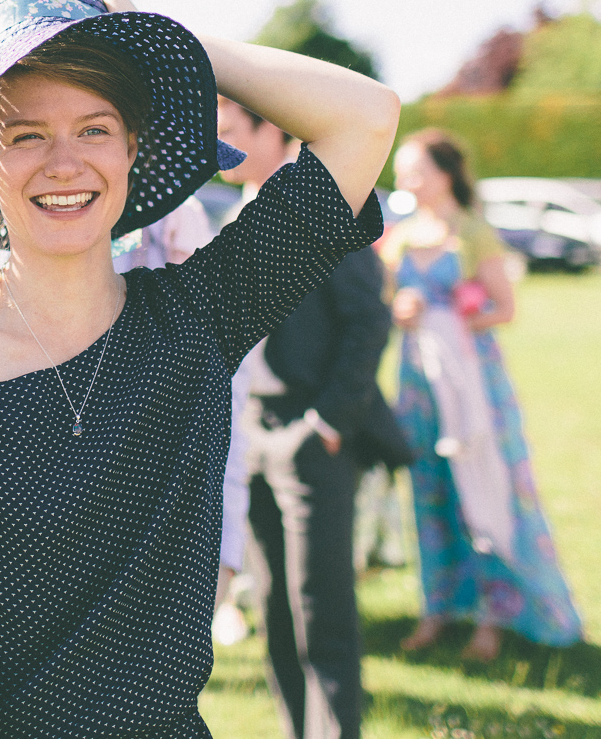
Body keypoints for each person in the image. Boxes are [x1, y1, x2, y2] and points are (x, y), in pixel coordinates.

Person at [0, 0, 399, 738]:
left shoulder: (201, 317)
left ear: (132, 147)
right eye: (26, 135)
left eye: (95, 128)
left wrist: (176, 45)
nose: (64, 162)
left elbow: (366, 117)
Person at [0, 197, 253, 615]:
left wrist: (223, 545)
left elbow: (223, 391)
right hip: (37, 542)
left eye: (97, 130)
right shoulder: (9, 239)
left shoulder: (174, 225)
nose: (67, 165)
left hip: (156, 528)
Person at [218, 96, 401, 739]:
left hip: (309, 431)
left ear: (273, 128)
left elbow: (370, 320)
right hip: (255, 429)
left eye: (233, 131)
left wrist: (325, 423)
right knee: (272, 609)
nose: (221, 146)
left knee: (321, 608)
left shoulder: (326, 203)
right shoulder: (242, 208)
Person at [381, 128, 581, 661]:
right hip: (419, 383)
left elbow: (504, 308)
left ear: (442, 175)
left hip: (472, 383)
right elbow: (383, 304)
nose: (404, 181)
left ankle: (493, 614)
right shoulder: (398, 236)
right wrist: (399, 310)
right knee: (428, 490)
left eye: (413, 170)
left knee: (482, 489)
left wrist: (453, 317)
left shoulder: (473, 233)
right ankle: (437, 608)